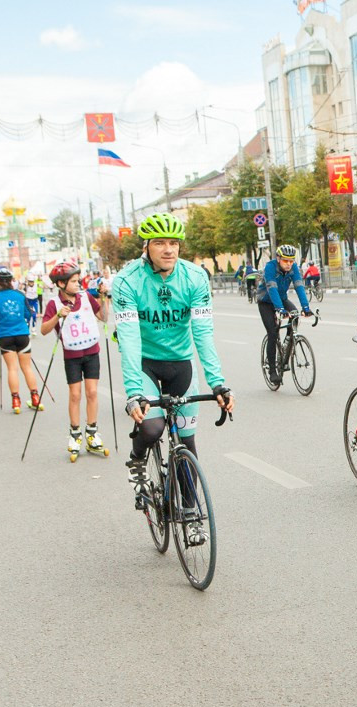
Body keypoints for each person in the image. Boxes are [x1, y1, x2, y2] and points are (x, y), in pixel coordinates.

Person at [113, 213, 233, 544]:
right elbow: (129, 340)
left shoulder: (195, 278)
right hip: (145, 364)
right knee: (152, 427)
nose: (169, 250)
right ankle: (137, 459)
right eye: (161, 243)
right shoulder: (127, 281)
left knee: (186, 442)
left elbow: (203, 333)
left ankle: (192, 514)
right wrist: (135, 393)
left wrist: (218, 383)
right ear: (146, 247)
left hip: (180, 363)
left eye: (174, 243)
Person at [41, 261, 108, 458]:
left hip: (91, 351)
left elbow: (103, 317)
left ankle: (92, 432)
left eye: (78, 281)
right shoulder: (54, 304)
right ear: (61, 284)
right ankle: (75, 434)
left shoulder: (86, 297)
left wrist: (103, 297)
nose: (78, 284)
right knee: (75, 395)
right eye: (73, 281)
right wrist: (58, 317)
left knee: (92, 392)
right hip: (72, 355)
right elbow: (44, 330)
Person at [256, 244, 313, 386]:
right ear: (278, 258)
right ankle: (273, 371)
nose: (288, 264)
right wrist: (280, 309)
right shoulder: (270, 267)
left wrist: (306, 307)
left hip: (282, 299)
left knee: (295, 316)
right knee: (273, 332)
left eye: (291, 261)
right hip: (266, 302)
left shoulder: (293, 268)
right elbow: (272, 289)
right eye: (285, 261)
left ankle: (288, 343)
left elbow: (299, 286)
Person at [0, 269, 42, 414]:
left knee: (12, 368)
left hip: (5, 336)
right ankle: (35, 397)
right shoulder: (20, 295)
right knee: (27, 367)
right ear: (12, 280)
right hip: (22, 334)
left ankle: (15, 400)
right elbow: (29, 313)